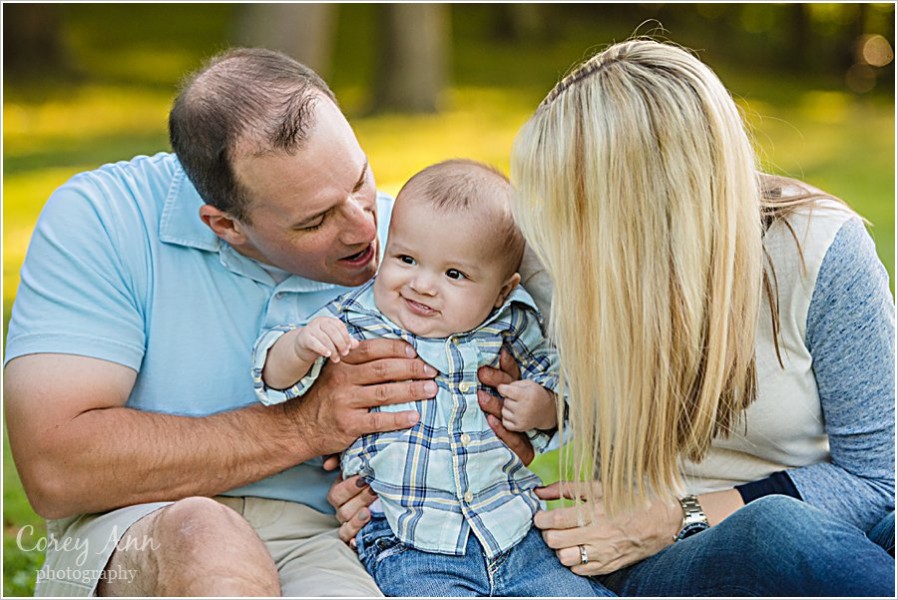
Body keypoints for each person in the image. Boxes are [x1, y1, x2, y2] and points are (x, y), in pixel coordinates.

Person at [334, 38, 896, 597]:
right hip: (654, 560)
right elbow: (418, 265)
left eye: (565, 203)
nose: (544, 225)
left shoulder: (815, 249)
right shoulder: (543, 261)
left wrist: (683, 513)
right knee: (776, 532)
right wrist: (378, 483)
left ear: (643, 209)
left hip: (795, 530)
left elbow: (881, 479)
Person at [2, 47, 455, 597]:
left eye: (360, 182)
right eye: (315, 220)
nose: (364, 228)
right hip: (132, 528)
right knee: (207, 538)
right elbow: (58, 468)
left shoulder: (418, 255)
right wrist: (307, 424)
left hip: (325, 539)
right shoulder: (102, 217)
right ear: (226, 225)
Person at [253, 159, 611, 597]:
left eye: (454, 274)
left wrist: (545, 407)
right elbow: (273, 380)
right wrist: (300, 345)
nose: (422, 285)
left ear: (501, 290)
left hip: (516, 531)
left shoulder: (512, 325)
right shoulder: (357, 318)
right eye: (406, 259)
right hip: (409, 540)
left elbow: (562, 391)